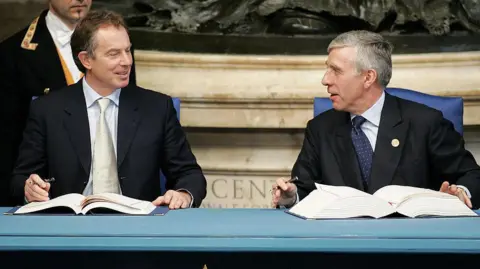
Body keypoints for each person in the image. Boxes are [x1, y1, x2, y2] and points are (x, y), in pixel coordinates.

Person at [10, 9, 206, 209]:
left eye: (128, 50)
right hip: (68, 225)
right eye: (114, 54)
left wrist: (183, 194)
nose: (127, 61)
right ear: (86, 60)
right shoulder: (47, 110)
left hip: (137, 227)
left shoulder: (156, 108)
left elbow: (190, 174)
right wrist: (29, 189)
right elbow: (21, 178)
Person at [272, 30, 480, 209]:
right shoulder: (320, 128)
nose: (325, 80)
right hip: (342, 243)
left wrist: (461, 193)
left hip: (411, 242)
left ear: (368, 77)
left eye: (335, 70)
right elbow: (304, 188)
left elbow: (472, 176)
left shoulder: (424, 123)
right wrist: (291, 196)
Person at [0, 0, 137, 206]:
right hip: (53, 200)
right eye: (114, 54)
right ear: (85, 59)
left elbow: (131, 110)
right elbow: (8, 145)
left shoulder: (119, 44)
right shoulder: (12, 53)